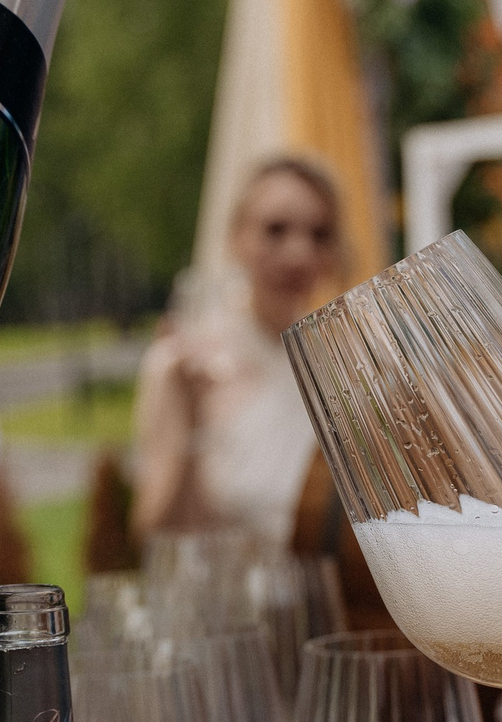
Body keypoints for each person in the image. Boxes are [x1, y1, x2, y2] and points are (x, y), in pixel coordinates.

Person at [131, 152, 345, 550]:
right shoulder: (186, 363)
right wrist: (190, 426)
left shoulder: (342, 364)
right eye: (275, 230)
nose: (299, 253)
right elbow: (156, 531)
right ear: (236, 238)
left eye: (319, 234)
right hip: (231, 602)